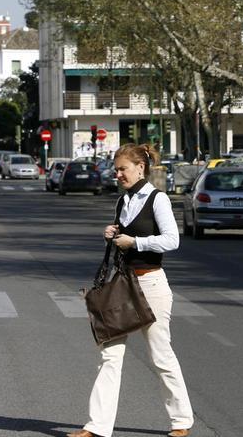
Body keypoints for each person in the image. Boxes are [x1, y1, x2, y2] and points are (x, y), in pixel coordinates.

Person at [68, 144, 194, 437]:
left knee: (161, 355)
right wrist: (111, 234)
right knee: (110, 355)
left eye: (123, 169)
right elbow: (122, 238)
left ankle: (180, 421)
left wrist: (136, 243)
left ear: (141, 167)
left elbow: (172, 240)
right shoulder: (122, 201)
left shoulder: (158, 199)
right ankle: (97, 427)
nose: (119, 174)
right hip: (124, 285)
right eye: (117, 169)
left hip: (151, 284)